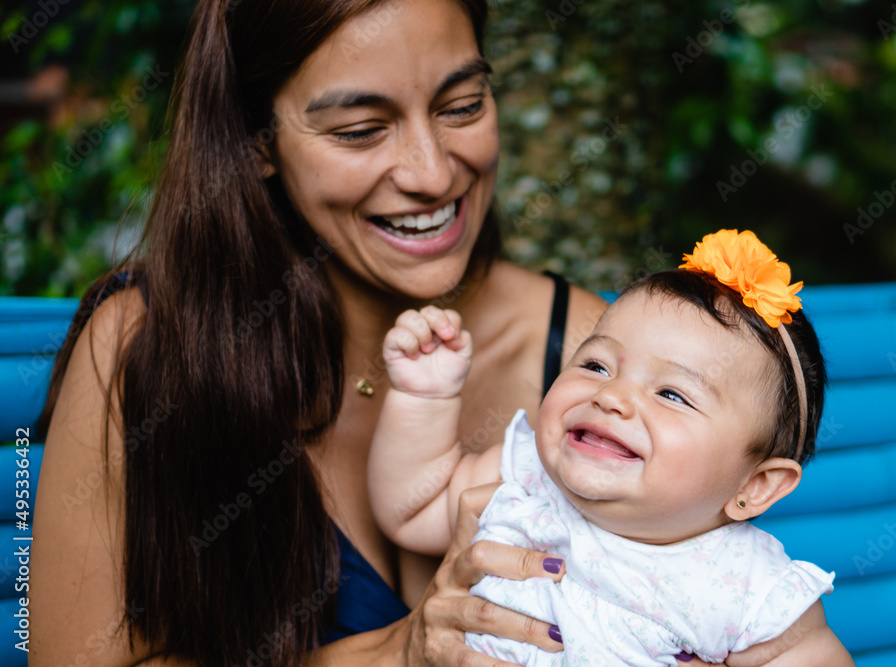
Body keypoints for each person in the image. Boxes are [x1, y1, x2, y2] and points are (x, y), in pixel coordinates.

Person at [28, 0, 621, 665]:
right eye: (361, 129)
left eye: (461, 107)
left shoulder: (590, 355)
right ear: (257, 143)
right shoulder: (145, 351)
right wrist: (395, 653)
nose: (432, 173)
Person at [368, 230, 856, 665]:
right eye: (597, 365)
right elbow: (415, 508)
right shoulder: (526, 475)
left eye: (671, 394)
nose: (612, 396)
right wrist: (424, 396)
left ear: (755, 484)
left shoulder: (748, 588)